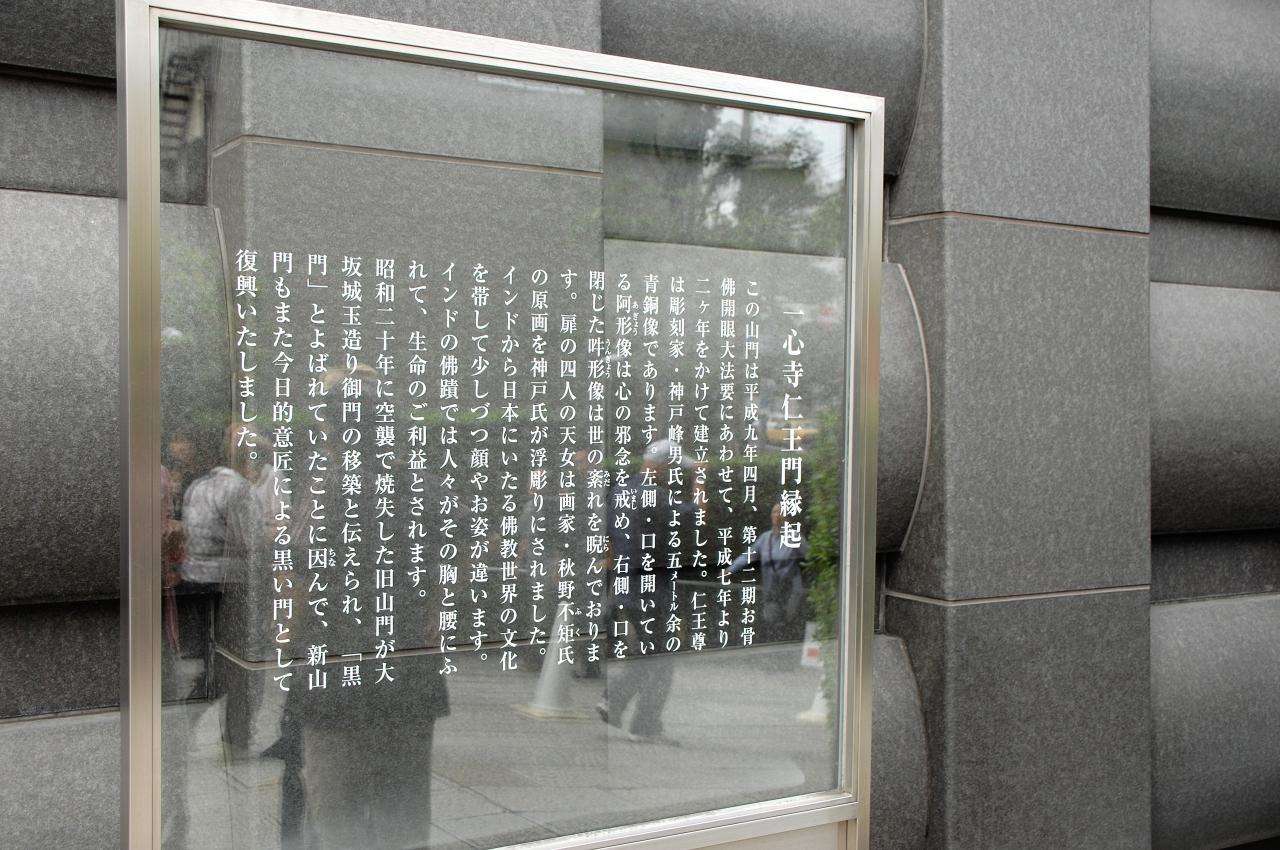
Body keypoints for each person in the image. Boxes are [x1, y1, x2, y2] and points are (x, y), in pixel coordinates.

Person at [598, 439, 703, 743]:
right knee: (661, 658)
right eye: (673, 470)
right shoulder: (656, 496)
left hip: (624, 587)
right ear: (662, 467)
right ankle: (641, 723)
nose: (673, 476)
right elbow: (698, 514)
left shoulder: (619, 491)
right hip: (650, 591)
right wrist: (699, 479)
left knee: (650, 653)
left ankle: (615, 703)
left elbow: (609, 542)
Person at [728, 502, 809, 643]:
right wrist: (730, 569)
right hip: (772, 591)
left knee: (790, 623)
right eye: (774, 512)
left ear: (786, 516)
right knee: (772, 624)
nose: (776, 515)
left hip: (791, 591)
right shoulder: (765, 539)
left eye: (780, 512)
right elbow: (748, 555)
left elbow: (810, 556)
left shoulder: (795, 537)